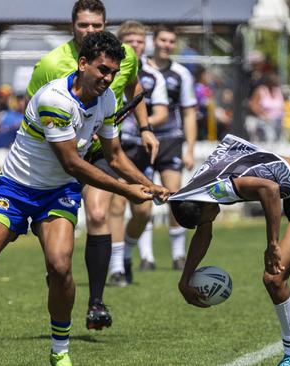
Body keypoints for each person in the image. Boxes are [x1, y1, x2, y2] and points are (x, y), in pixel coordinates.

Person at [0, 31, 169, 366]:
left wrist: (149, 184)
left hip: (58, 193)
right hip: (16, 189)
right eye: (102, 70)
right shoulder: (55, 101)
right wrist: (127, 189)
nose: (107, 78)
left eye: (112, 72)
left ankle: (60, 348)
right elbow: (73, 162)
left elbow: (116, 155)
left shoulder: (107, 100)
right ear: (82, 64)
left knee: (61, 266)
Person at [169, 134, 290, 366]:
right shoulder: (200, 192)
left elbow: (270, 189)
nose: (208, 221)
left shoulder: (226, 186)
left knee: (274, 277)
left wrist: (272, 244)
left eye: (204, 218)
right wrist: (185, 280)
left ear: (203, 204)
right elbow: (203, 232)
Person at [25, 0, 160, 331]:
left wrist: (145, 128)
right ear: (71, 25)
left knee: (98, 214)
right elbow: (33, 114)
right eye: (83, 25)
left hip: (101, 147)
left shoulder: (122, 56)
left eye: (96, 26)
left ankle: (96, 302)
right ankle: (57, 268)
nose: (89, 31)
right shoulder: (50, 64)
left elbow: (133, 86)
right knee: (59, 253)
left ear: (105, 25)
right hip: (60, 152)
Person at [107, 20, 169, 286]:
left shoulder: (154, 77)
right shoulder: (111, 71)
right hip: (118, 146)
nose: (135, 46)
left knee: (143, 211)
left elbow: (164, 112)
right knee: (117, 204)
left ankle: (128, 254)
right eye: (130, 42)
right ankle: (117, 267)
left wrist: (145, 124)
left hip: (142, 150)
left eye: (140, 42)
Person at [146, 24, 198, 271]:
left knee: (174, 195)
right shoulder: (139, 70)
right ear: (153, 41)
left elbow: (189, 114)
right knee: (143, 199)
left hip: (170, 141)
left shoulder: (181, 74)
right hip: (141, 142)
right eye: (163, 40)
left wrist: (189, 149)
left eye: (171, 41)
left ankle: (178, 255)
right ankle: (147, 257)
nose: (167, 45)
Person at [247, 72, 285, 142]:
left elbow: (282, 106)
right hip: (264, 121)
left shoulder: (278, 91)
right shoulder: (260, 90)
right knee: (270, 136)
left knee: (281, 139)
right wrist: (263, 114)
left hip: (278, 121)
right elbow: (252, 104)